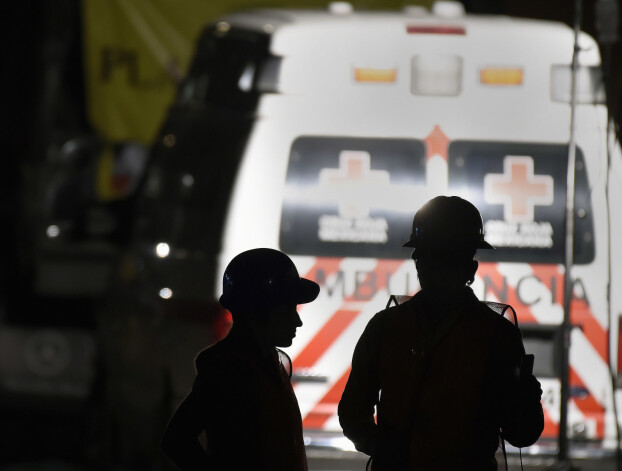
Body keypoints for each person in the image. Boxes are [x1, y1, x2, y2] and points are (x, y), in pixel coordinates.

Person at [338, 196, 544, 470]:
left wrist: (525, 401)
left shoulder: (386, 327)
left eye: (445, 260)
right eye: (431, 260)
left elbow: (521, 433)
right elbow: (352, 413)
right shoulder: (497, 334)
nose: (435, 270)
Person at [161, 248, 319, 470]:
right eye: (287, 310)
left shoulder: (265, 362)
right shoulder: (229, 370)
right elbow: (177, 439)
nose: (297, 321)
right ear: (259, 310)